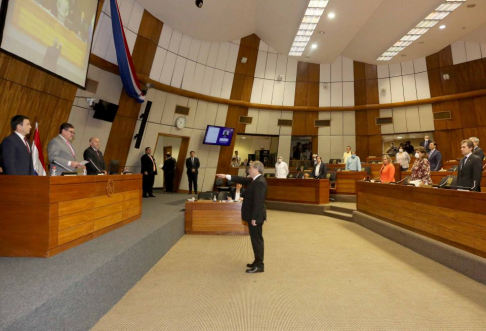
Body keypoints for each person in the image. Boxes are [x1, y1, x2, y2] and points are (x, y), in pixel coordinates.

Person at [216, 161, 267, 274]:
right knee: (255, 239)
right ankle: (257, 261)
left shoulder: (260, 182)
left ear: (256, 169)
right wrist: (226, 176)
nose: (248, 169)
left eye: (250, 167)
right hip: (254, 216)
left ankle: (259, 265)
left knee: (257, 240)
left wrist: (254, 217)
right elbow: (241, 179)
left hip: (256, 217)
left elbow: (258, 202)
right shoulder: (254, 180)